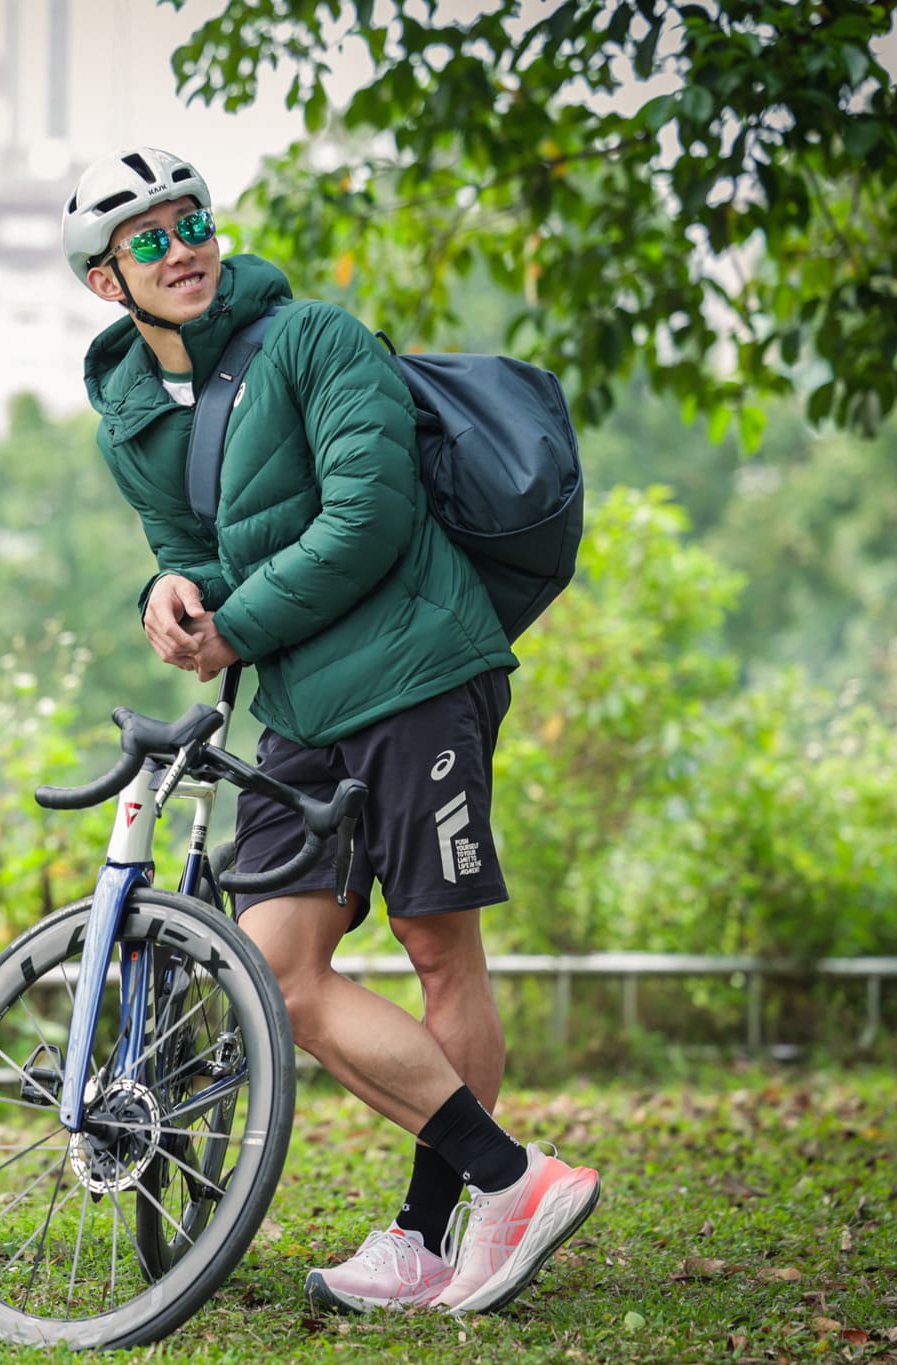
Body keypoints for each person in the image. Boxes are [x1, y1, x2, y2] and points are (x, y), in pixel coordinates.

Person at [59, 146, 602, 1316]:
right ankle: (509, 1184)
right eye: (147, 239)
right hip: (297, 703)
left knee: (434, 947)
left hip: (415, 670)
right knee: (278, 972)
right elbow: (190, 547)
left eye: (190, 221)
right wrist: (167, 593)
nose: (182, 246)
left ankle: (427, 1230)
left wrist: (233, 623)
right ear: (107, 283)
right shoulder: (130, 421)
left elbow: (369, 517)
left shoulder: (316, 340)